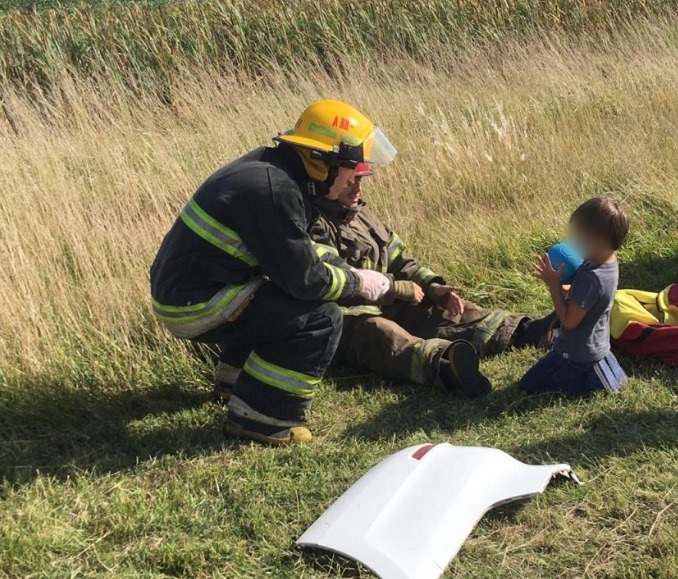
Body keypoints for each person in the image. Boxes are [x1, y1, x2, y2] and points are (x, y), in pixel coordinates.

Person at [150, 100, 398, 446]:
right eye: (353, 171)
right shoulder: (274, 191)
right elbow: (307, 280)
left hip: (197, 290)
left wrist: (343, 267)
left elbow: (302, 249)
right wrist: (359, 282)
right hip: (194, 304)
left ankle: (235, 382)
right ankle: (264, 419)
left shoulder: (276, 171)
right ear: (323, 160)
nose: (359, 180)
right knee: (319, 317)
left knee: (270, 299)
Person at [305, 163, 559, 396]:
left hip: (389, 300)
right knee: (379, 333)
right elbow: (339, 282)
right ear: (322, 180)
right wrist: (398, 289)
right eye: (349, 182)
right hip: (345, 315)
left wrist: (432, 286)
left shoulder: (360, 214)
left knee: (446, 310)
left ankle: (524, 332)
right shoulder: (311, 225)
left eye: (360, 180)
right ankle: (446, 365)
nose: (358, 189)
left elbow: (400, 259)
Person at [519, 196, 629, 396]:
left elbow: (569, 322)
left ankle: (593, 381)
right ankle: (600, 366)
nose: (574, 241)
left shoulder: (592, 277)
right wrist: (568, 289)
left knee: (529, 387)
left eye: (579, 235)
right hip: (595, 344)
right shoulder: (607, 262)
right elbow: (590, 300)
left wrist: (553, 285)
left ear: (597, 240)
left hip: (577, 354)